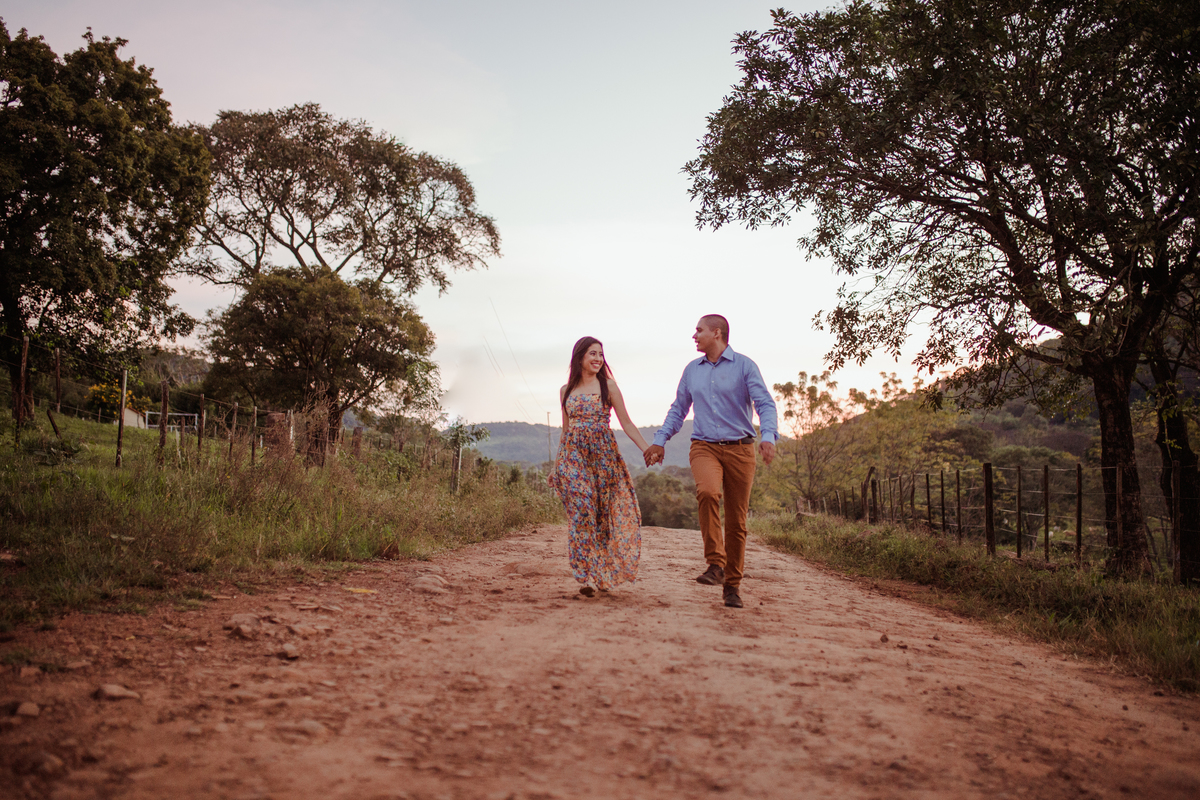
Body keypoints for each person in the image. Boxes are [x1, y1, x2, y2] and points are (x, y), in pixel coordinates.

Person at [643, 315, 777, 609]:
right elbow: (678, 409)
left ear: (717, 333)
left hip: (741, 449)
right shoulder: (692, 370)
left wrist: (768, 435)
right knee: (707, 492)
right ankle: (716, 564)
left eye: (699, 330)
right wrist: (660, 439)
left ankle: (732, 585)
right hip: (704, 446)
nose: (694, 335)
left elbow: (765, 403)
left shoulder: (744, 366)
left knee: (737, 522)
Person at [549, 336, 649, 596]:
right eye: (592, 354)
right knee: (583, 508)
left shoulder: (608, 386)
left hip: (603, 455)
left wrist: (646, 448)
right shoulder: (565, 391)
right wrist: (556, 466)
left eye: (601, 355)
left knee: (602, 516)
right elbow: (565, 430)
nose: (597, 359)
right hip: (573, 456)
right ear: (580, 357)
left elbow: (626, 423)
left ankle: (602, 572)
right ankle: (584, 574)